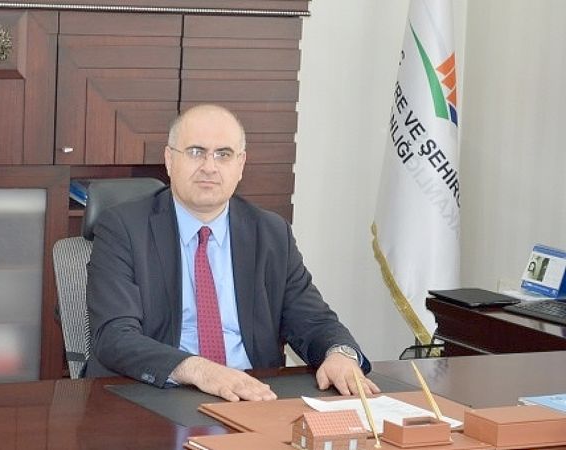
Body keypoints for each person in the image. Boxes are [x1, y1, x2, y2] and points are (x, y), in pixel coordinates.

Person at [85, 104, 380, 401]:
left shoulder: (270, 232)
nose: (209, 167)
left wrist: (339, 353)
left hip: (252, 394)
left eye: (223, 154)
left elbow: (313, 320)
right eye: (196, 152)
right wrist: (199, 370)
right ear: (169, 159)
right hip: (161, 392)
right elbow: (114, 335)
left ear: (240, 165)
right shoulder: (124, 228)